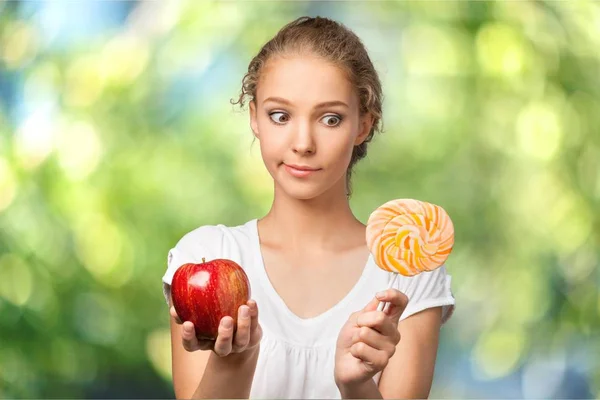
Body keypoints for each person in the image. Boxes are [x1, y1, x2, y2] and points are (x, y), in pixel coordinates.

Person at [161, 16, 456, 399]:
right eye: (280, 116)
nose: (303, 142)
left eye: (330, 119)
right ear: (254, 117)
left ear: (364, 125)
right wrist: (233, 360)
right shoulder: (205, 254)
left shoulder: (407, 274)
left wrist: (356, 384)